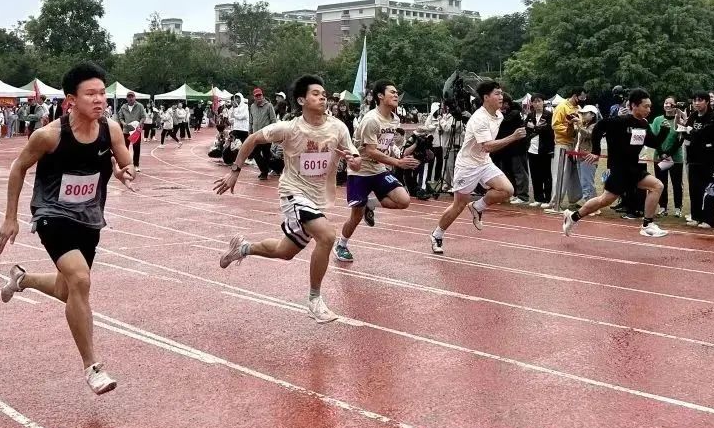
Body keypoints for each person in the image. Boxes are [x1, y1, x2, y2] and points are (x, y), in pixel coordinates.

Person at [0, 62, 135, 395]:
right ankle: (93, 367)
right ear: (71, 99)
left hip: (89, 217)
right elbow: (18, 169)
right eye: (90, 94)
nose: (99, 99)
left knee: (66, 290)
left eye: (102, 92)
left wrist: (123, 171)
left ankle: (22, 279)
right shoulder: (50, 135)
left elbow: (126, 161)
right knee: (81, 280)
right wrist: (10, 217)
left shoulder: (111, 129)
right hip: (51, 213)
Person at [214, 74, 361, 323]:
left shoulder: (338, 128)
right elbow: (251, 139)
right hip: (293, 193)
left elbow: (356, 161)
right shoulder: (290, 128)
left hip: (318, 199)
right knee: (326, 236)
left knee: (285, 251)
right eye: (316, 93)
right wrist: (235, 171)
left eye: (324, 93)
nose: (322, 97)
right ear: (302, 99)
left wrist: (353, 160)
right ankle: (315, 300)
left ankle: (242, 249)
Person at [429, 81, 527, 254]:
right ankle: (437, 234)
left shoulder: (499, 116)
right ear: (486, 97)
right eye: (497, 93)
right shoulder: (479, 118)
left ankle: (478, 207)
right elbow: (487, 146)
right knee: (459, 205)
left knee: (507, 190)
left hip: (484, 162)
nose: (501, 97)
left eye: (501, 93)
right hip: (467, 165)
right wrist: (513, 137)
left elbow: (488, 149)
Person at [562, 89, 674, 238]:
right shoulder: (619, 121)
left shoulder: (643, 125)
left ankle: (647, 224)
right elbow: (598, 128)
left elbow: (653, 142)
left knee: (657, 186)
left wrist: (664, 131)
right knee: (604, 200)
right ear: (634, 105)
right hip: (619, 169)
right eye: (645, 106)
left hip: (634, 167)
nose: (649, 110)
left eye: (650, 107)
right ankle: (573, 217)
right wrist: (596, 151)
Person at [334, 80, 418, 262]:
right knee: (355, 216)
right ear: (380, 96)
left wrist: (400, 154)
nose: (396, 95)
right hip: (360, 170)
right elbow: (371, 150)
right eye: (392, 92)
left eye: (397, 93)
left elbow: (387, 144)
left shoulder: (395, 119)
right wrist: (397, 162)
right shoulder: (371, 120)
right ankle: (341, 244)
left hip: (378, 169)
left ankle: (370, 204)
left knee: (404, 200)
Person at [683, 91, 714, 228]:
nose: (696, 103)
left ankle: (709, 219)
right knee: (694, 189)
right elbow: (684, 133)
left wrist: (691, 132)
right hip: (693, 158)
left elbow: (705, 133)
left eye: (700, 100)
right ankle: (696, 216)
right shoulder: (693, 116)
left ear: (707, 102)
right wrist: (690, 132)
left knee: (709, 189)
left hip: (709, 159)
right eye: (694, 101)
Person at [545, 88, 586, 212]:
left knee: (574, 174)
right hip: (563, 144)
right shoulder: (562, 107)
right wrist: (570, 129)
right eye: (582, 97)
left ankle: (573, 200)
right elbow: (555, 125)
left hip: (576, 145)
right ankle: (555, 202)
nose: (583, 100)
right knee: (561, 173)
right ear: (574, 96)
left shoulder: (579, 109)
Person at [650, 97, 685, 218]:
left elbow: (680, 139)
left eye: (671, 103)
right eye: (666, 103)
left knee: (676, 183)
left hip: (675, 157)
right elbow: (654, 138)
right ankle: (663, 207)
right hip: (659, 156)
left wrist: (669, 153)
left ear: (676, 105)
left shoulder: (679, 120)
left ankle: (677, 208)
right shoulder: (657, 120)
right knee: (660, 183)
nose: (668, 105)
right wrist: (661, 153)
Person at [525, 94, 554, 207]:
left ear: (543, 102)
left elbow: (548, 129)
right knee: (535, 174)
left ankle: (547, 199)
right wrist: (537, 128)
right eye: (535, 102)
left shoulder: (549, 115)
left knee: (546, 174)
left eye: (539, 101)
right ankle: (538, 198)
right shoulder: (530, 115)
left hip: (545, 148)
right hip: (532, 148)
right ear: (532, 103)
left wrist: (535, 127)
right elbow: (526, 127)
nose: (537, 104)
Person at [574, 105, 601, 207]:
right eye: (582, 114)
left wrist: (579, 125)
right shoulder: (585, 125)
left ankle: (591, 205)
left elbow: (589, 135)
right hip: (582, 156)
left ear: (593, 115)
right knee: (584, 182)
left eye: (585, 113)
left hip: (588, 157)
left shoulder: (595, 126)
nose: (583, 115)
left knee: (587, 183)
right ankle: (591, 204)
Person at [249, 87, 278, 180]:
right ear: (254, 97)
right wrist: (250, 132)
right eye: (256, 96)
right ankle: (265, 170)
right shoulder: (252, 107)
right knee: (255, 153)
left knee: (266, 154)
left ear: (262, 95)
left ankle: (265, 172)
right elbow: (251, 121)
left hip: (266, 135)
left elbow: (273, 120)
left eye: (260, 95)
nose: (259, 97)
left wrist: (273, 132)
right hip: (255, 135)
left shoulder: (269, 106)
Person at [117, 91, 146, 172]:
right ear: (126, 98)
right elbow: (120, 117)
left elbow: (143, 117)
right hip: (126, 130)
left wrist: (139, 124)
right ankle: (125, 164)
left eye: (132, 97)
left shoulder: (140, 106)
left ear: (134, 98)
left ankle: (136, 165)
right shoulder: (123, 107)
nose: (130, 98)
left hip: (136, 131)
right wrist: (124, 123)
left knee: (136, 148)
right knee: (124, 148)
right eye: (129, 97)